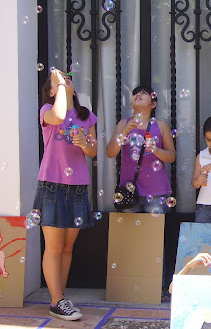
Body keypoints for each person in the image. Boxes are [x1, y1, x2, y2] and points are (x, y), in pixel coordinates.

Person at [33, 70, 98, 320]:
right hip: (51, 185)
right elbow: (59, 115)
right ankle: (57, 299)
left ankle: (59, 298)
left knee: (68, 246)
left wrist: (83, 142)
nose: (65, 80)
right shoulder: (47, 111)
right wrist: (60, 86)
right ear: (51, 91)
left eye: (67, 79)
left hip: (78, 186)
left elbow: (92, 152)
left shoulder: (86, 116)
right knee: (54, 245)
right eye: (57, 83)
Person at [106, 85, 176, 214]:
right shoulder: (123, 124)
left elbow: (171, 156)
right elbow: (110, 152)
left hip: (156, 192)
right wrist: (125, 131)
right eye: (135, 93)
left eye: (143, 93)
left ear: (153, 104)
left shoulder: (161, 125)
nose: (138, 95)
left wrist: (156, 150)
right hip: (129, 191)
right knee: (132, 234)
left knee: (154, 233)